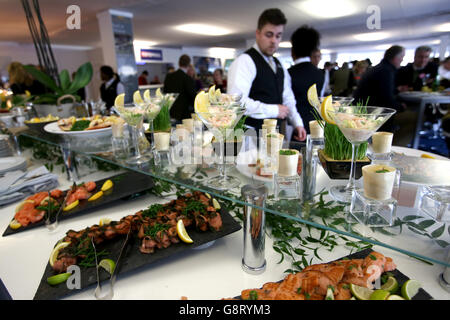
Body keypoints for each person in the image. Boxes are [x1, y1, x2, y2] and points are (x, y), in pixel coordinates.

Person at [227, 8, 306, 141]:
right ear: (258, 34)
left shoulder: (279, 65)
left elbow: (288, 99)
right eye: (269, 35)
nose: (274, 41)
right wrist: (274, 110)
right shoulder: (245, 61)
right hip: (250, 137)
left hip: (276, 136)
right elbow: (236, 102)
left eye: (278, 35)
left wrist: (298, 122)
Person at [353, 45, 406, 131]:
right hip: (370, 114)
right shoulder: (385, 71)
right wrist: (401, 107)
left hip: (364, 110)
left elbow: (378, 91)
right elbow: (386, 98)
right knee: (409, 118)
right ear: (396, 57)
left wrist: (396, 90)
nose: (402, 60)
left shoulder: (380, 68)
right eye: (402, 57)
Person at [288, 25, 324, 134]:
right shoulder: (320, 73)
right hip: (317, 122)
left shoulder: (288, 73)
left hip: (296, 125)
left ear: (293, 50)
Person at [163, 54, 197, 121]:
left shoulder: (169, 76)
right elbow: (193, 96)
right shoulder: (187, 78)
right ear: (188, 64)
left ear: (179, 63)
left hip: (171, 111)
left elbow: (165, 93)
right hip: (184, 113)